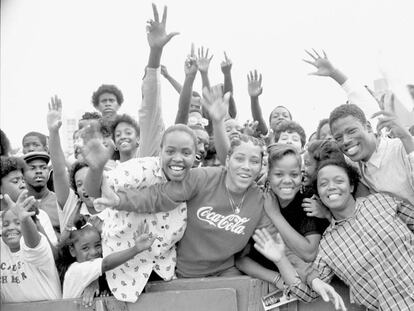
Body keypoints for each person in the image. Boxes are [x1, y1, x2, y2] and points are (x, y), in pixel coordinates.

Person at [255, 159, 414, 310]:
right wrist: (280, 259)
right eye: (323, 184)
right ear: (318, 194)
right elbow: (308, 294)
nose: (331, 187)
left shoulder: (381, 202)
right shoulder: (327, 246)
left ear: (351, 186)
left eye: (339, 181)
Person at [61, 217, 156, 299]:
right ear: (72, 250)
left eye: (98, 245)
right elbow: (106, 264)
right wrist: (136, 249)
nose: (94, 252)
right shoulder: (75, 271)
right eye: (85, 248)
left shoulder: (98, 275)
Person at [1, 190, 61, 303]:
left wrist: (24, 219)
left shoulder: (38, 245)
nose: (10, 228)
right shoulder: (2, 246)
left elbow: (32, 244)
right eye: (5, 224)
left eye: (17, 222)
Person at [0, 156, 57, 247]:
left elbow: (54, 256)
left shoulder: (40, 215)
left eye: (23, 180)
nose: (22, 185)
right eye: (15, 181)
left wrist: (34, 221)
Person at [22, 151, 60, 235]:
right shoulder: (20, 205)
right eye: (32, 168)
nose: (38, 171)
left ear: (49, 172)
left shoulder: (60, 201)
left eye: (43, 167)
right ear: (23, 174)